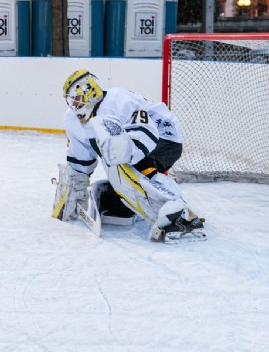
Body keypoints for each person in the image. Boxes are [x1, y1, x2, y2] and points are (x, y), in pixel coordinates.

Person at [55, 69, 205, 243]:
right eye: (71, 100)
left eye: (77, 98)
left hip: (164, 138)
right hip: (135, 146)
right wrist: (74, 190)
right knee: (118, 165)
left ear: (90, 90)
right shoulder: (72, 119)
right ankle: (126, 200)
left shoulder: (119, 101)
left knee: (123, 163)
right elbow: (80, 158)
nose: (74, 104)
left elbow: (145, 135)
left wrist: (123, 154)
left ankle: (178, 212)